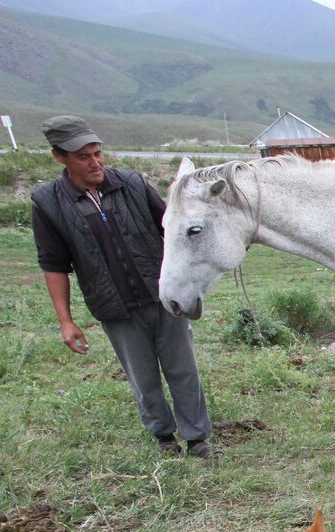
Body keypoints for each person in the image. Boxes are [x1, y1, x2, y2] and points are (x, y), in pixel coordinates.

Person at [31, 115, 214, 458]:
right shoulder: (48, 203)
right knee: (142, 377)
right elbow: (53, 265)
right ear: (60, 157)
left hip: (161, 296)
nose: (95, 163)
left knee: (183, 369)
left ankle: (197, 438)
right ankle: (164, 438)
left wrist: (193, 277)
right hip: (115, 306)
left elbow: (170, 230)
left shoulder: (130, 183)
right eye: (83, 157)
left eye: (98, 153)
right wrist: (65, 321)